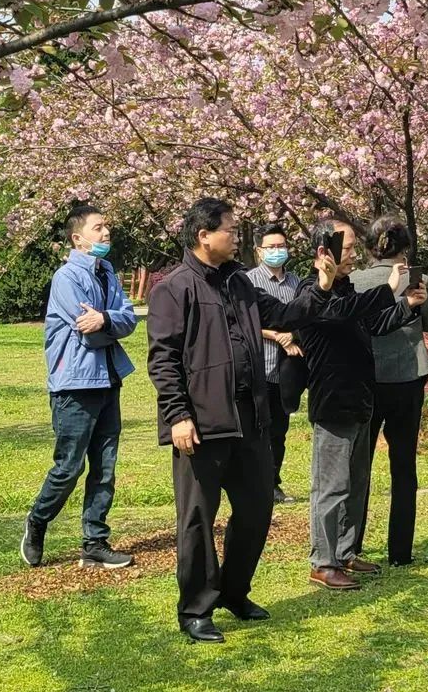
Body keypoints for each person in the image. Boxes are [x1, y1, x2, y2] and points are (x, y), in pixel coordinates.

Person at [146, 198, 339, 644]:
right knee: (197, 519)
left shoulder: (239, 283)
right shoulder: (174, 288)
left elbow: (285, 316)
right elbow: (164, 359)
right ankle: (196, 608)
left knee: (256, 510)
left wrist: (321, 286)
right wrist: (177, 415)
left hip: (251, 420)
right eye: (231, 229)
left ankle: (234, 591)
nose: (237, 236)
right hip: (202, 424)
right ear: (204, 235)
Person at [296, 218, 428, 590]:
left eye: (354, 247)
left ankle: (345, 551)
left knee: (355, 481)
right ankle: (322, 562)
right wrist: (387, 289)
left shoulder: (346, 287)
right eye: (348, 248)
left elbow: (371, 324)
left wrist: (407, 305)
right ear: (325, 253)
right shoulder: (312, 294)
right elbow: (340, 316)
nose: (354, 254)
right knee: (331, 486)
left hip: (361, 397)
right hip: (334, 400)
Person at [21, 204, 138, 570]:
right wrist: (109, 322)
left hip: (108, 379)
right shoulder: (67, 277)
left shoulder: (109, 274)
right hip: (75, 384)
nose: (106, 234)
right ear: (78, 239)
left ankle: (95, 541)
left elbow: (128, 319)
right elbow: (87, 333)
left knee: (105, 467)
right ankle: (38, 520)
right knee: (68, 467)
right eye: (98, 228)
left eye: (107, 228)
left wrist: (106, 319)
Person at [349, 216, 428, 567]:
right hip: (406, 378)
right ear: (405, 248)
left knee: (360, 465)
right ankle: (400, 551)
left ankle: (351, 545)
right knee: (403, 466)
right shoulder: (416, 280)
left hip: (367, 380)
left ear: (368, 247)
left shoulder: (355, 281)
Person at [245, 221, 303, 504]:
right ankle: (254, 483)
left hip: (287, 370)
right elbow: (241, 323)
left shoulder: (296, 282)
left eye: (281, 246)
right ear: (259, 251)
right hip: (259, 366)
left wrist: (293, 335)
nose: (277, 251)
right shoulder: (249, 281)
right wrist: (275, 336)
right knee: (258, 430)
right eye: (271, 247)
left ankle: (274, 483)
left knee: (279, 430)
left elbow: (304, 317)